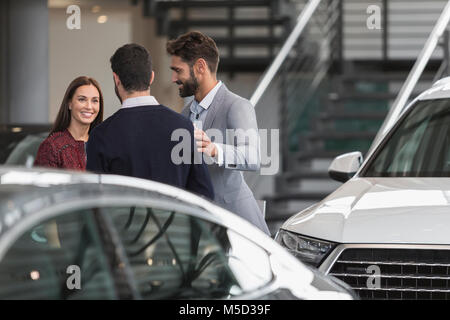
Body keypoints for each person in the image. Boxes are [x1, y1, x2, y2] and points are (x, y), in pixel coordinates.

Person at [166, 31, 270, 235]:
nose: (173, 78)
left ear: (200, 67)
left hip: (240, 227)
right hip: (202, 228)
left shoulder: (237, 106)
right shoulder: (185, 113)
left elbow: (254, 157)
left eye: (178, 71)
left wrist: (215, 149)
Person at [86, 43, 214, 200]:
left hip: (125, 224)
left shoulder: (101, 135)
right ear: (151, 77)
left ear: (116, 79)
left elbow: (94, 202)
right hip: (174, 223)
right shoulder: (184, 127)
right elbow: (205, 195)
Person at [34, 76, 104, 170]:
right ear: (69, 103)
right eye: (82, 99)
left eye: (95, 100)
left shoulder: (103, 144)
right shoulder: (52, 146)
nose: (89, 106)